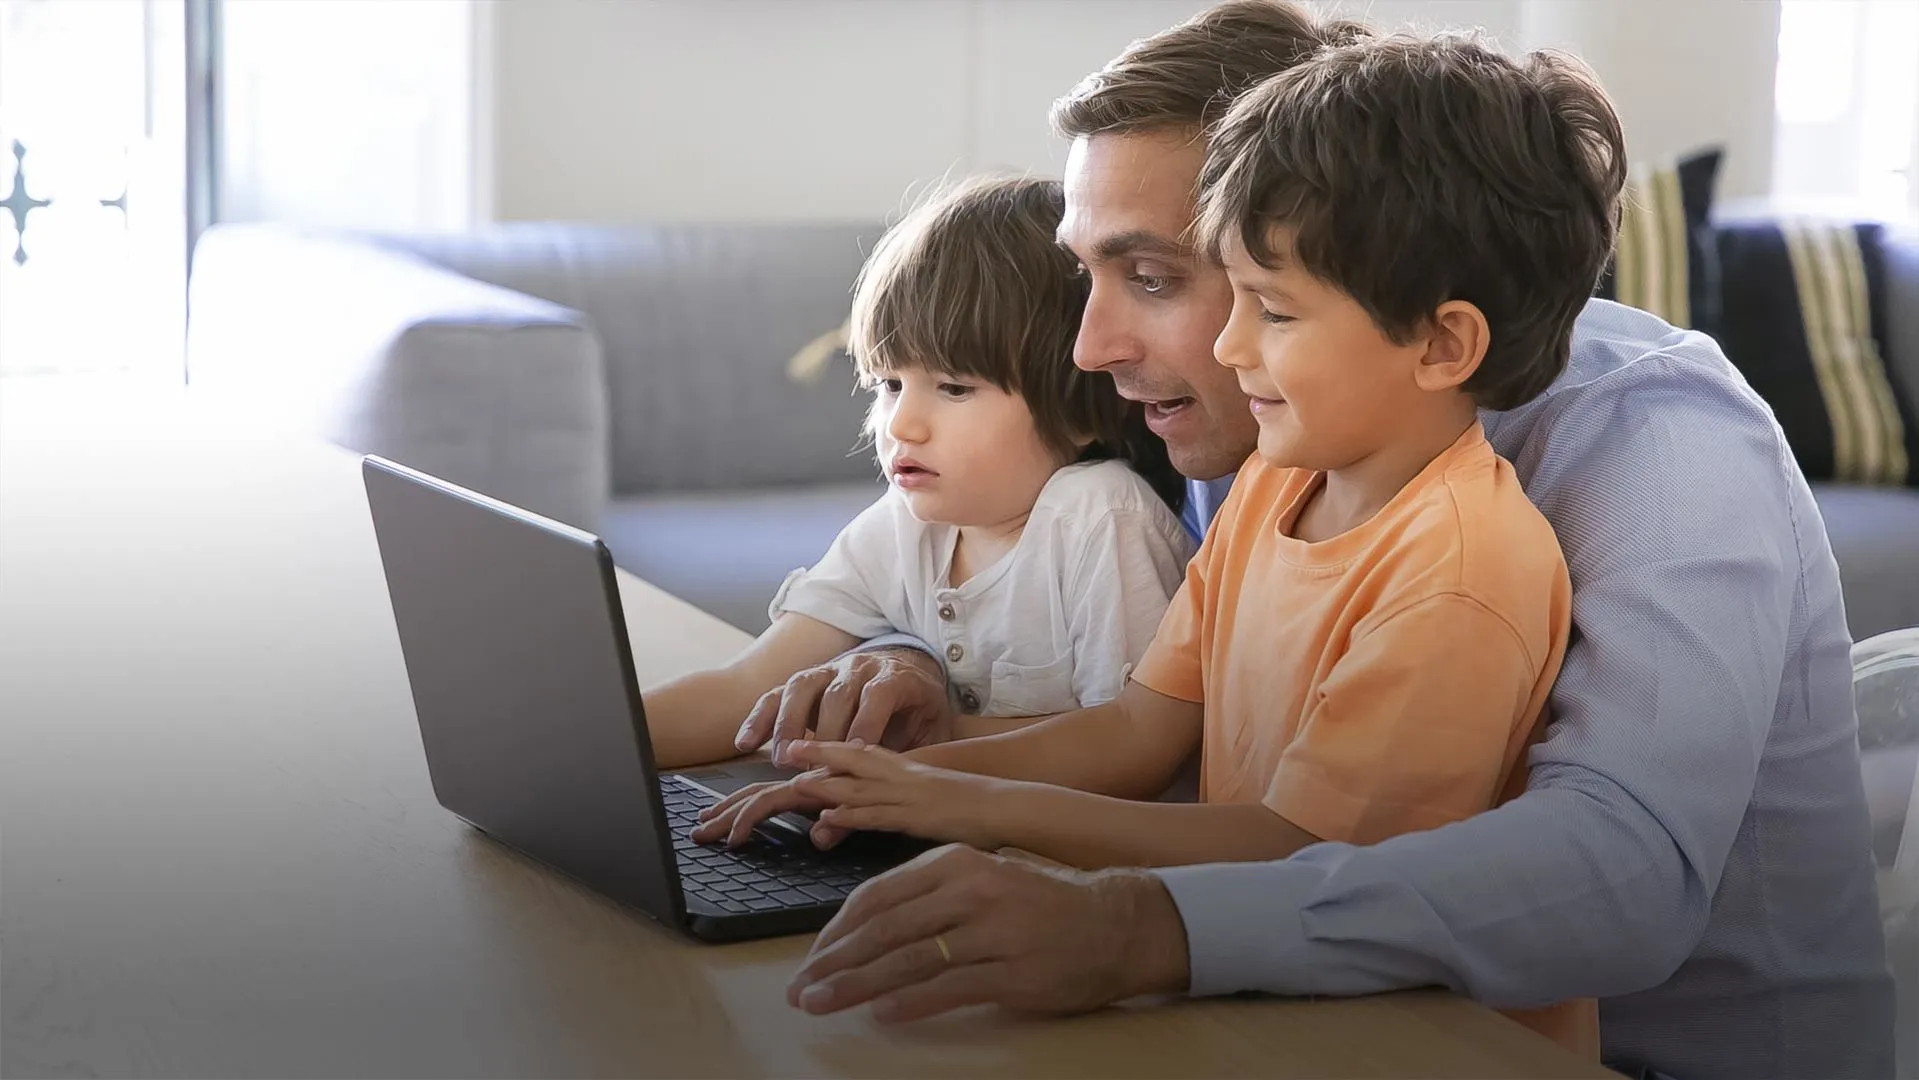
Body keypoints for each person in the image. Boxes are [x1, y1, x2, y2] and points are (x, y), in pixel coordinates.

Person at [726, 4, 1896, 1078]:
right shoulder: (1254, 424)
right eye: (1084, 275)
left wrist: (1134, 928)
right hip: (1313, 1017)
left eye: (1153, 275)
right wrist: (911, 676)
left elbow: (1620, 878)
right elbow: (1136, 683)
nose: (1085, 346)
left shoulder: (1651, 441)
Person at [642, 175, 1194, 770]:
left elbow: (1127, 747)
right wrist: (576, 752)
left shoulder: (1100, 516)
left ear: (1079, 405)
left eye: (954, 388)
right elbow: (743, 689)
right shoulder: (900, 527)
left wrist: (923, 747)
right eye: (890, 385)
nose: (902, 424)